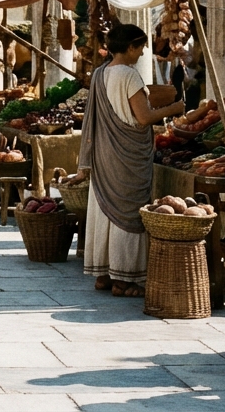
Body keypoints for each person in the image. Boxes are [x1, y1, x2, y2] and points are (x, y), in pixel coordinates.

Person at [78, 23, 185, 298]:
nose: (141, 54)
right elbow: (144, 117)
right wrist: (174, 108)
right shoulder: (129, 74)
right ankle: (124, 279)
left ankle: (103, 274)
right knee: (129, 212)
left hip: (105, 154)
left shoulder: (100, 73)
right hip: (128, 156)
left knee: (105, 210)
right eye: (140, 48)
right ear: (129, 47)